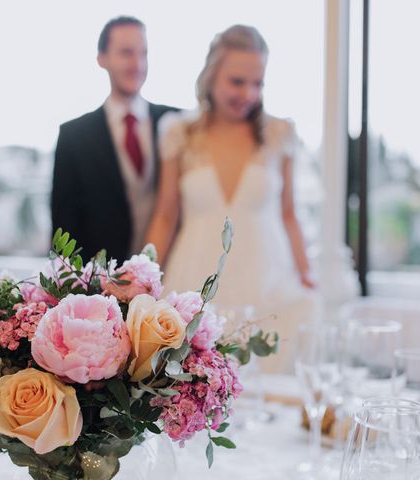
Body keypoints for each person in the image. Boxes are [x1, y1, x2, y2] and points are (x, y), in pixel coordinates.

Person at [145, 25, 316, 373]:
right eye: (237, 82)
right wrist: (142, 278)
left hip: (267, 280)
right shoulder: (179, 133)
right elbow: (165, 215)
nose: (249, 93)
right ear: (211, 77)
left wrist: (306, 273)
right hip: (194, 278)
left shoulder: (279, 134)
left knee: (269, 389)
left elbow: (289, 214)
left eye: (258, 83)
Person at [52, 16, 177, 262]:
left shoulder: (175, 122)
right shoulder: (74, 136)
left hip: (170, 278)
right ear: (102, 59)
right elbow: (63, 227)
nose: (137, 63)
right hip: (103, 285)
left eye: (143, 53)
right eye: (126, 53)